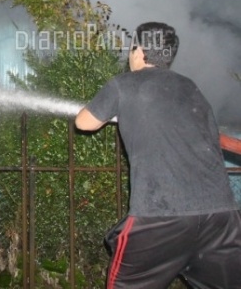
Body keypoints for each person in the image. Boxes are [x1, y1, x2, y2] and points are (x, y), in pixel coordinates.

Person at [75, 21, 241, 289]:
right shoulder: (190, 88)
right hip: (221, 218)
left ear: (139, 52)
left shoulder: (124, 84)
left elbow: (84, 122)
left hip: (159, 218)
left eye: (131, 49)